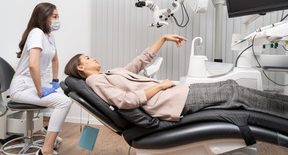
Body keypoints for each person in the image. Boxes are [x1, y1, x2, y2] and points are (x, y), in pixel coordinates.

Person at [64, 34, 288, 122]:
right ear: (81, 68)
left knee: (232, 87)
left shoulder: (107, 74)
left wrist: (163, 38)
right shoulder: (94, 81)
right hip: (170, 100)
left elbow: (140, 61)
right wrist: (160, 86)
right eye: (87, 58)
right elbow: (125, 101)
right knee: (233, 93)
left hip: (175, 94)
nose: (93, 58)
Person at [9, 3, 72, 155]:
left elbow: (55, 59)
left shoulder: (49, 36)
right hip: (22, 87)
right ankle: (46, 150)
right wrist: (40, 90)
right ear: (44, 17)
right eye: (55, 16)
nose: (58, 20)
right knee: (64, 103)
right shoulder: (36, 33)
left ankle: (50, 134)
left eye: (58, 16)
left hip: (36, 84)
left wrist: (55, 82)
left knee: (65, 96)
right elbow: (33, 65)